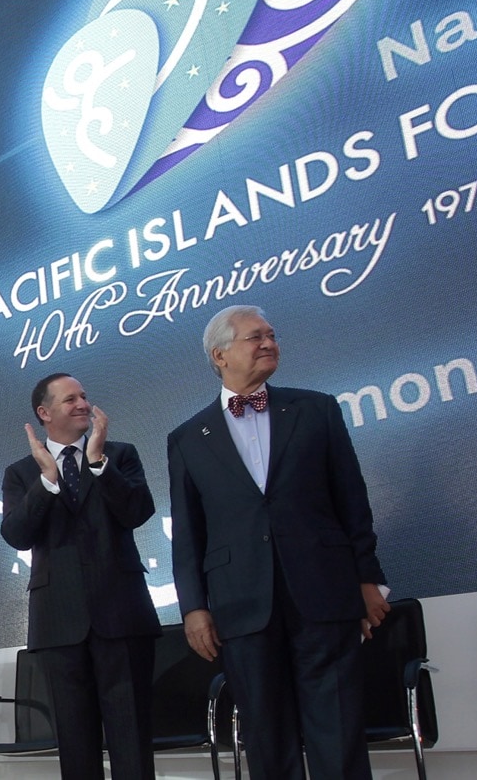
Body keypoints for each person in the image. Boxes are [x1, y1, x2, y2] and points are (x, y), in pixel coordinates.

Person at [168, 305, 390, 780]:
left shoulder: (317, 409)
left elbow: (352, 498)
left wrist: (368, 578)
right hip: (241, 604)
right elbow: (189, 532)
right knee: (266, 736)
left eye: (271, 335)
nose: (269, 343)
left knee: (339, 728)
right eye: (255, 337)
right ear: (220, 355)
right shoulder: (186, 438)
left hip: (324, 592)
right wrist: (193, 608)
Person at [1, 373, 161, 780]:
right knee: (75, 745)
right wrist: (46, 482)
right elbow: (16, 535)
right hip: (58, 623)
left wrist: (98, 463)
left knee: (132, 740)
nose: (83, 404)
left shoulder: (118, 455)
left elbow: (138, 512)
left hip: (123, 615)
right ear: (44, 412)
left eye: (85, 397)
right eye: (70, 398)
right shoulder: (21, 473)